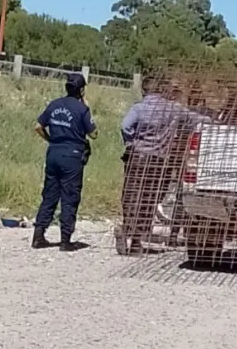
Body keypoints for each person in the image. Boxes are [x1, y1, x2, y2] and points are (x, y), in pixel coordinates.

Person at [119, 74, 212, 254]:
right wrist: (219, 120)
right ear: (160, 90)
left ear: (144, 90)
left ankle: (127, 229)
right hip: (159, 161)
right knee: (150, 198)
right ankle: (138, 239)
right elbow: (198, 119)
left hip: (138, 158)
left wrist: (131, 141)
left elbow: (125, 126)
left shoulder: (139, 108)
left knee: (131, 195)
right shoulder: (173, 109)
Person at [31, 73, 98, 251]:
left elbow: (38, 126)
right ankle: (65, 240)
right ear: (82, 90)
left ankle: (38, 235)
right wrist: (87, 108)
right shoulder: (82, 109)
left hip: (53, 152)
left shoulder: (55, 104)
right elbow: (94, 134)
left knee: (50, 194)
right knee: (70, 196)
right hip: (72, 156)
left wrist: (50, 139)